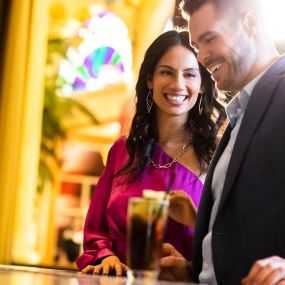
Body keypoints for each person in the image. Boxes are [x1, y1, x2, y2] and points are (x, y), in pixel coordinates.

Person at [76, 29, 225, 276]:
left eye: (189, 74)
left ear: (202, 85)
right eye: (166, 72)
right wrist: (107, 257)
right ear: (149, 80)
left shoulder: (218, 155)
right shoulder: (123, 150)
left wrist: (191, 265)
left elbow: (232, 242)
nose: (178, 84)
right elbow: (96, 230)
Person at [160, 1, 285, 285]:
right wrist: (197, 272)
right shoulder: (237, 117)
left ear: (250, 24)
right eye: (196, 46)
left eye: (210, 39)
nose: (201, 57)